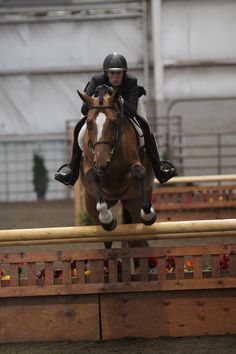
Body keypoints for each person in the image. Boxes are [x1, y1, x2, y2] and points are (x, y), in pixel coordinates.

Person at [55, 52, 177, 186]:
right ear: (106, 73)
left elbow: (131, 111)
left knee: (144, 127)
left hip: (128, 108)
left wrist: (116, 96)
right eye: (112, 73)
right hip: (100, 111)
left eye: (119, 73)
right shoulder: (96, 80)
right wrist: (96, 93)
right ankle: (72, 171)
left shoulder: (131, 81)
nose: (116, 77)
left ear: (124, 73)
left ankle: (158, 167)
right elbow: (84, 110)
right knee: (79, 130)